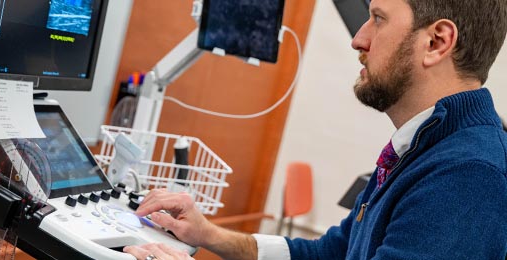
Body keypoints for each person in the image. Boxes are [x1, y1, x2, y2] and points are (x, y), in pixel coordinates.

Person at [123, 0, 507, 259]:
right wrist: (208, 235)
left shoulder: (468, 175)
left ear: (437, 42)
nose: (359, 39)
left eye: (378, 18)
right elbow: (332, 252)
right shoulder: (425, 143)